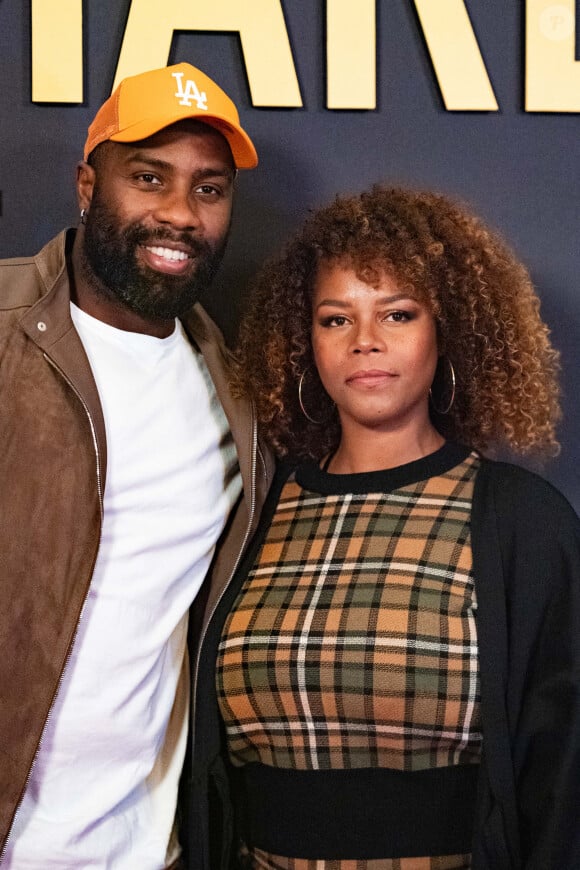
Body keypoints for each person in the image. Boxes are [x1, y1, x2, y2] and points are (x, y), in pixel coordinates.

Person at [187, 185, 580, 869]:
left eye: (397, 314)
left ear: (446, 330)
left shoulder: (521, 522)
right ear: (304, 341)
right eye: (336, 319)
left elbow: (562, 773)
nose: (365, 342)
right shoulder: (251, 513)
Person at [0, 63, 273, 868]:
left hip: (145, 851)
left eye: (209, 189)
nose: (180, 215)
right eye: (149, 178)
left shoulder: (236, 390)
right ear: (88, 184)